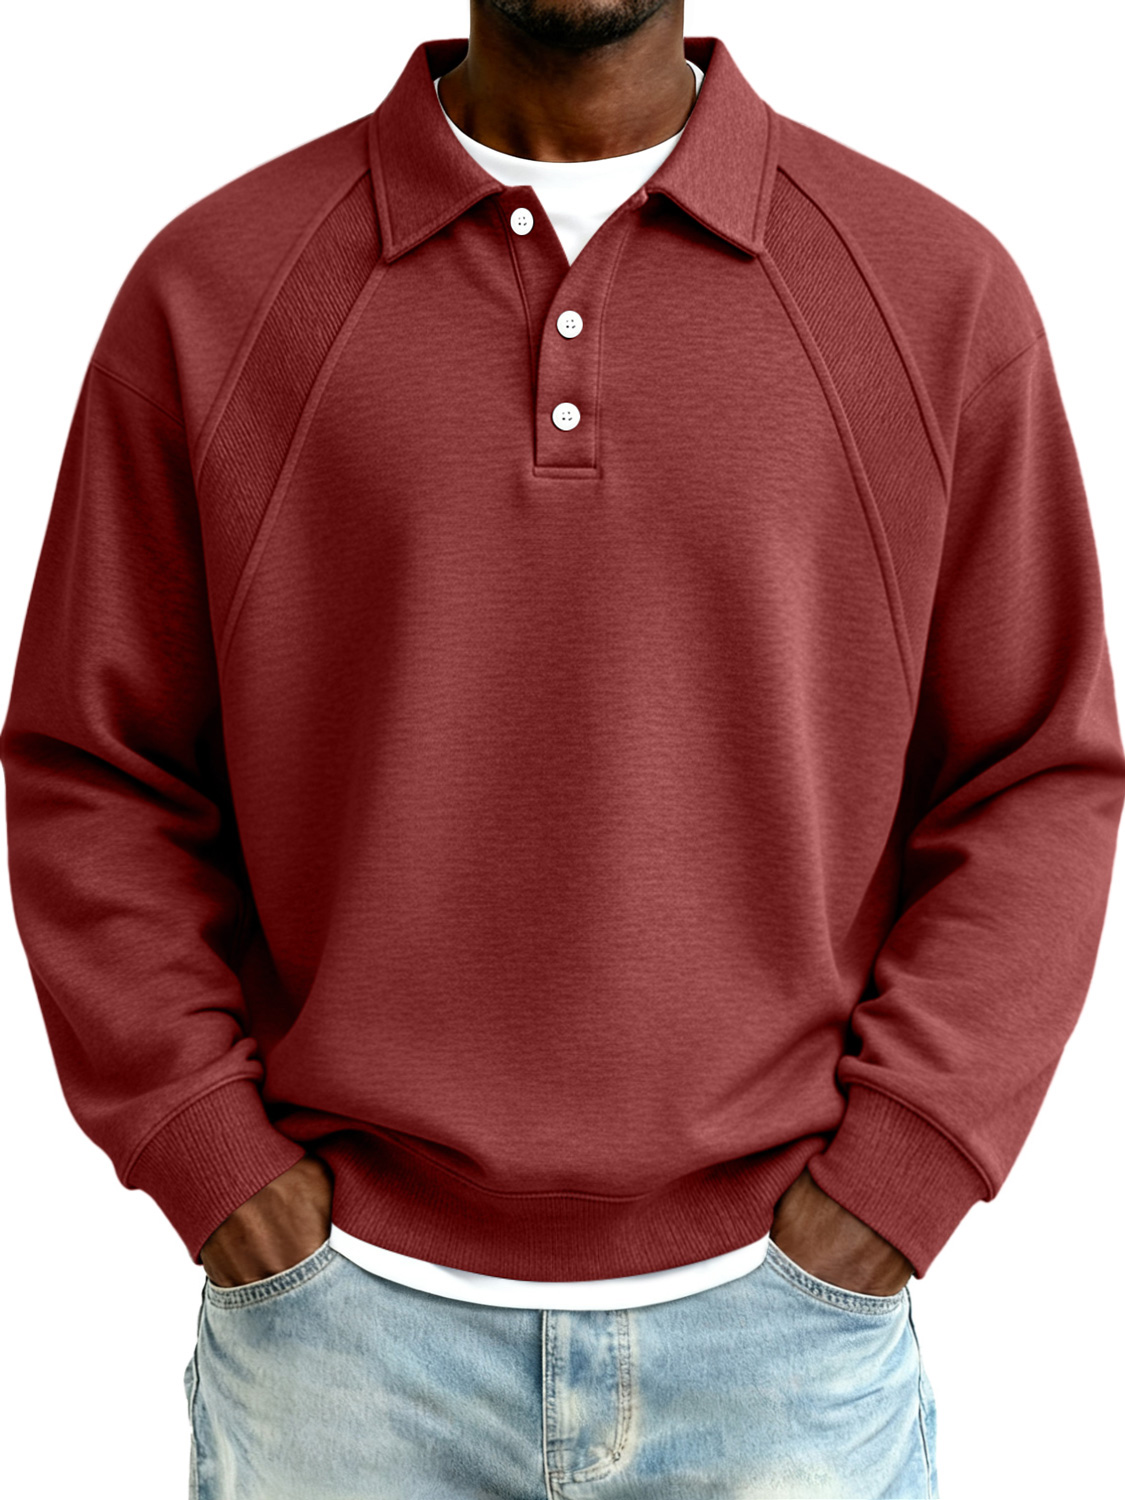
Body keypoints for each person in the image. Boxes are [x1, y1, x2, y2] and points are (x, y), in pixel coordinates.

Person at [2, 1, 1121, 1495]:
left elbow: (1035, 769)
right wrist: (212, 1158)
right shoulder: (219, 285)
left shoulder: (929, 289)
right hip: (342, 1348)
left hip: (782, 1344)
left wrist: (901, 1170)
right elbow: (96, 768)